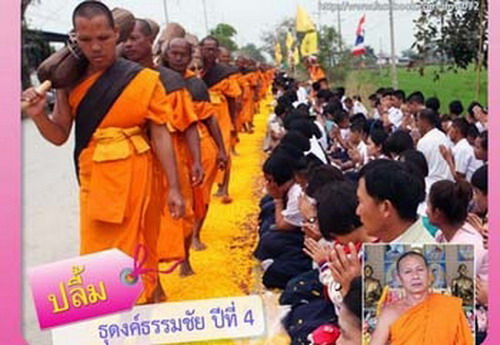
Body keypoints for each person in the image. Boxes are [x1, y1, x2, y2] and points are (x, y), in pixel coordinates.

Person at [22, 1, 184, 302]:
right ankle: (112, 320)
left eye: (103, 38)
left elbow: (161, 134)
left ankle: (143, 307)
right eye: (85, 40)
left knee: (140, 245)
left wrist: (174, 187)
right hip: (96, 182)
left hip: (139, 176)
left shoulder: (143, 79)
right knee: (100, 256)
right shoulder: (67, 82)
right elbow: (59, 136)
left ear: (116, 36)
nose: (95, 47)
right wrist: (37, 115)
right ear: (75, 39)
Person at [123, 20, 203, 277]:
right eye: (124, 39)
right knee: (138, 224)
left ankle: (185, 258)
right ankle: (152, 283)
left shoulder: (168, 80)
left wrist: (197, 161)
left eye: (134, 38)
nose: (128, 44)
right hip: (128, 161)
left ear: (151, 42)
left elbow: (189, 124)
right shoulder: (115, 77)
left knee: (183, 214)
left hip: (171, 156)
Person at [164, 37, 230, 254]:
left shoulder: (195, 84)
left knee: (199, 196)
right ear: (166, 54)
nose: (179, 58)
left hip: (198, 147)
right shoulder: (157, 79)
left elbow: (209, 119)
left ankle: (195, 235)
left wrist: (221, 149)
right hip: (166, 148)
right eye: (174, 53)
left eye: (183, 54)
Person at [370, 251, 473, 345]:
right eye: (408, 271)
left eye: (420, 270)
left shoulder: (450, 307)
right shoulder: (390, 313)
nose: (415, 276)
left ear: (429, 274)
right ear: (399, 278)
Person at [200, 36, 242, 203]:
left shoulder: (224, 72)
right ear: (200, 49)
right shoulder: (195, 69)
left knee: (222, 149)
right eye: (206, 48)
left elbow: (233, 98)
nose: (209, 52)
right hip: (200, 114)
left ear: (217, 52)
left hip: (221, 114)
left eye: (213, 49)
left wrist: (232, 120)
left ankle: (223, 187)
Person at [356, 160, 435, 243]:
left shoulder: (422, 253)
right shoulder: (388, 241)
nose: (357, 211)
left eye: (360, 201)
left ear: (385, 207)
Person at [427, 180, 488, 280]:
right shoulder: (440, 235)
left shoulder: (469, 245)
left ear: (437, 212)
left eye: (429, 205)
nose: (426, 211)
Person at [416, 108, 453, 193]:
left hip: (430, 186)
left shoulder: (424, 142)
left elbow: (420, 167)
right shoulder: (443, 136)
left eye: (418, 121)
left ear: (424, 121)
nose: (417, 124)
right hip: (447, 184)